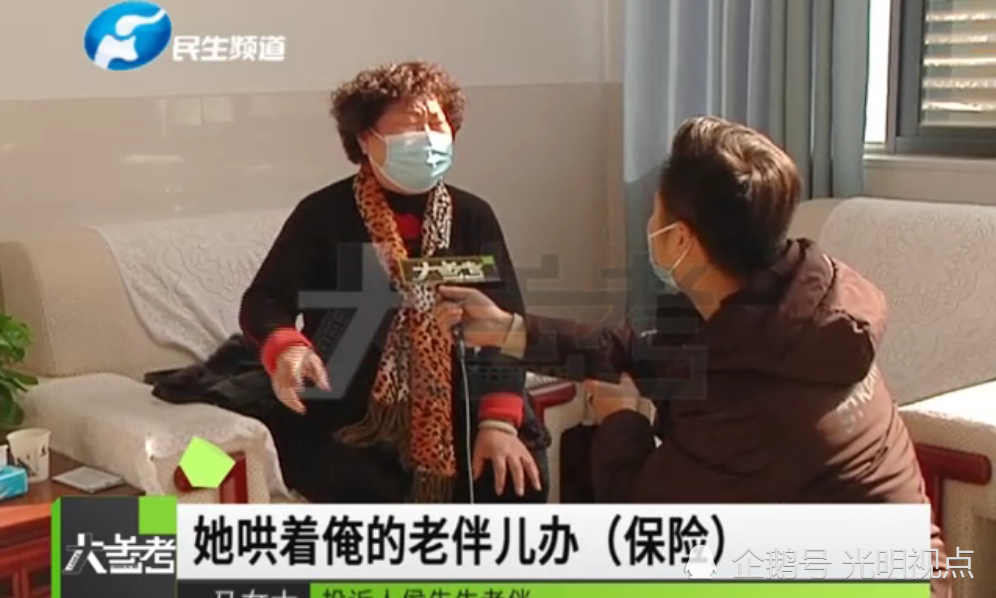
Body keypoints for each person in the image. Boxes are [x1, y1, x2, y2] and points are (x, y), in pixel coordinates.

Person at [437, 116, 950, 591]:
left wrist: (620, 418)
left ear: (679, 239)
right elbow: (636, 352)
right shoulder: (795, 308)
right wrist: (509, 330)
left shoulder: (744, 400)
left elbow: (642, 534)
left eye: (654, 211)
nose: (648, 223)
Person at [240, 61, 548, 504]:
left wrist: (498, 423)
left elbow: (507, 326)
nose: (427, 139)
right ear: (365, 140)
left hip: (465, 403)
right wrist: (287, 348)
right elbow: (266, 299)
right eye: (408, 128)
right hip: (352, 412)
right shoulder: (323, 214)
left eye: (436, 124)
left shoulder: (473, 216)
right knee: (373, 493)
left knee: (515, 482)